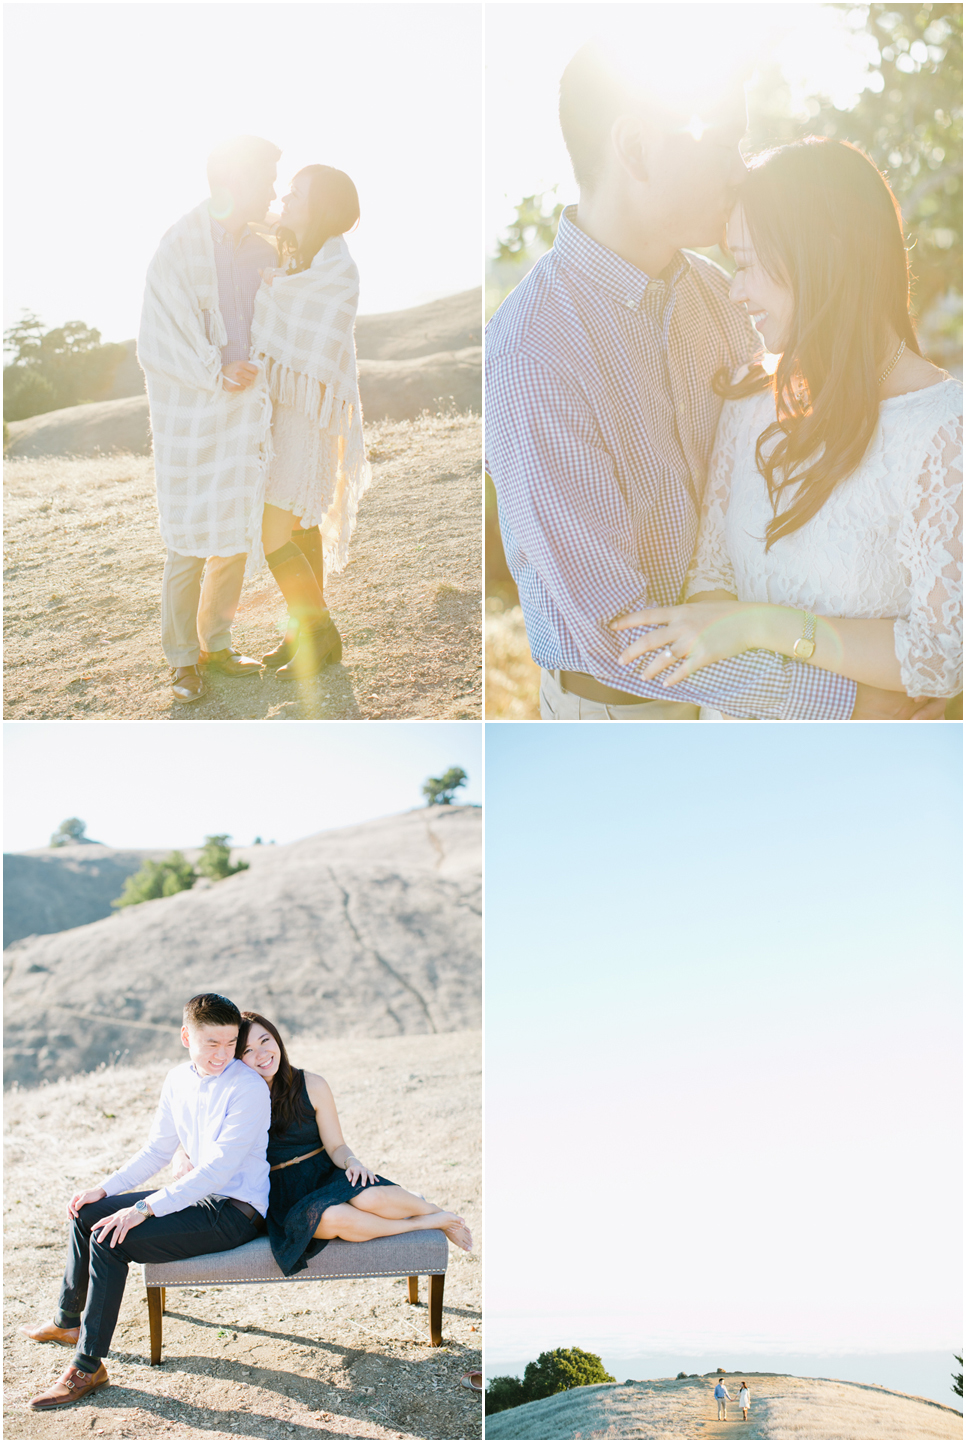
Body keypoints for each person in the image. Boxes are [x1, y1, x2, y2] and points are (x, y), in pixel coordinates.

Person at [485, 37, 945, 721]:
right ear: (636, 150)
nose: (741, 171)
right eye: (724, 143)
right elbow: (617, 632)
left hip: (766, 694)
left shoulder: (722, 297)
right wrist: (849, 702)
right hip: (626, 717)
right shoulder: (534, 351)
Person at [612, 139, 963, 714]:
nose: (735, 289)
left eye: (747, 263)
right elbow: (711, 578)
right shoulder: (752, 397)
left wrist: (760, 625)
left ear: (822, 254)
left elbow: (941, 656)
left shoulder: (945, 431)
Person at [23, 994, 270, 1411]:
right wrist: (104, 1189)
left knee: (111, 1237)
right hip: (197, 1197)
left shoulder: (246, 1087)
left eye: (230, 1043)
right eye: (212, 1043)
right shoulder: (178, 1079)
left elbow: (217, 1173)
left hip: (234, 1210)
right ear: (185, 1035)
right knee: (87, 1212)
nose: (223, 1054)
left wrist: (142, 1209)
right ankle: (69, 1322)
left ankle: (88, 1367)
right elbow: (157, 1150)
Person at [139, 135, 280, 704]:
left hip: (249, 405)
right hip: (195, 407)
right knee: (189, 538)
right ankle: (181, 659)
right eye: (266, 178)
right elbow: (161, 333)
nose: (272, 188)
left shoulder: (267, 244)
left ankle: (216, 644)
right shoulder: (178, 246)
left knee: (234, 529)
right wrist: (214, 371)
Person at [251, 165, 371, 679]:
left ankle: (320, 634)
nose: (285, 198)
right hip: (284, 409)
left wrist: (273, 286)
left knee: (272, 531)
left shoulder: (336, 267)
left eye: (297, 193)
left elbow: (312, 331)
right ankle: (300, 634)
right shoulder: (294, 256)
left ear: (319, 206)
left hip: (308, 413)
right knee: (299, 526)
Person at [235, 1012, 471, 1272]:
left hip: (322, 1173)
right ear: (238, 1059)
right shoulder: (238, 1099)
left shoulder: (311, 1084)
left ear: (277, 1040)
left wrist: (352, 1162)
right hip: (283, 1190)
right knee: (331, 1216)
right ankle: (424, 1222)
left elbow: (336, 1146)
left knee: (369, 1199)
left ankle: (434, 1211)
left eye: (265, 1040)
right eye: (248, 1050)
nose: (261, 1053)